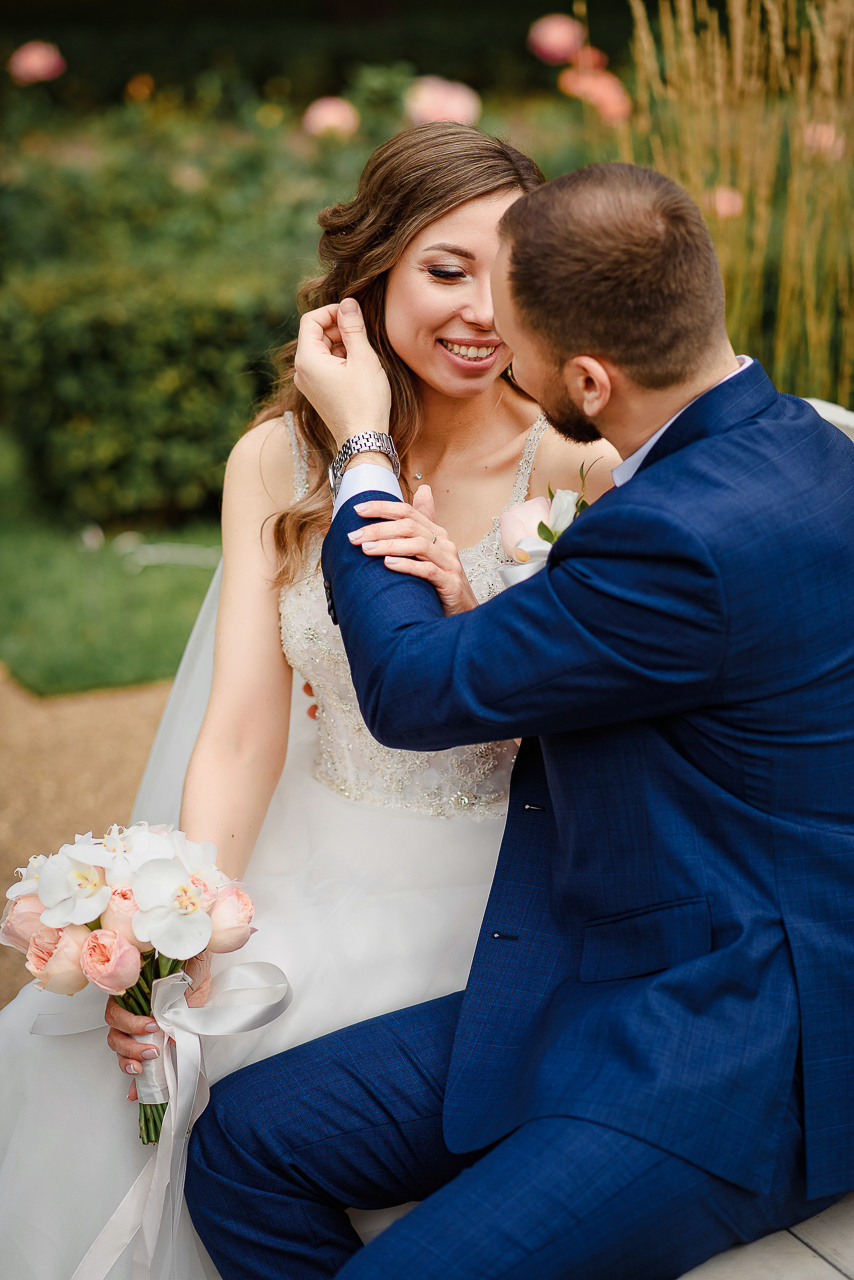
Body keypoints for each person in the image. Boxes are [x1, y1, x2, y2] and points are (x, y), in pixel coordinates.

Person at [183, 163, 854, 1280]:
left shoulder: (667, 529)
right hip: (601, 961)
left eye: (519, 322)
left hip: (728, 1039)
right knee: (246, 1148)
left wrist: (360, 450)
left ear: (585, 378)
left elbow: (408, 690)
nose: (491, 331)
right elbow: (621, 662)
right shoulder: (791, 450)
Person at [0, 124, 615, 1280]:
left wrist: (470, 615)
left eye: (512, 273)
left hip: (507, 892)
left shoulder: (575, 468)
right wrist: (173, 921)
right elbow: (240, 724)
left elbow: (612, 731)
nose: (483, 310)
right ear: (372, 270)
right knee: (127, 1049)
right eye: (445, 269)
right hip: (311, 852)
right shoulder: (277, 462)